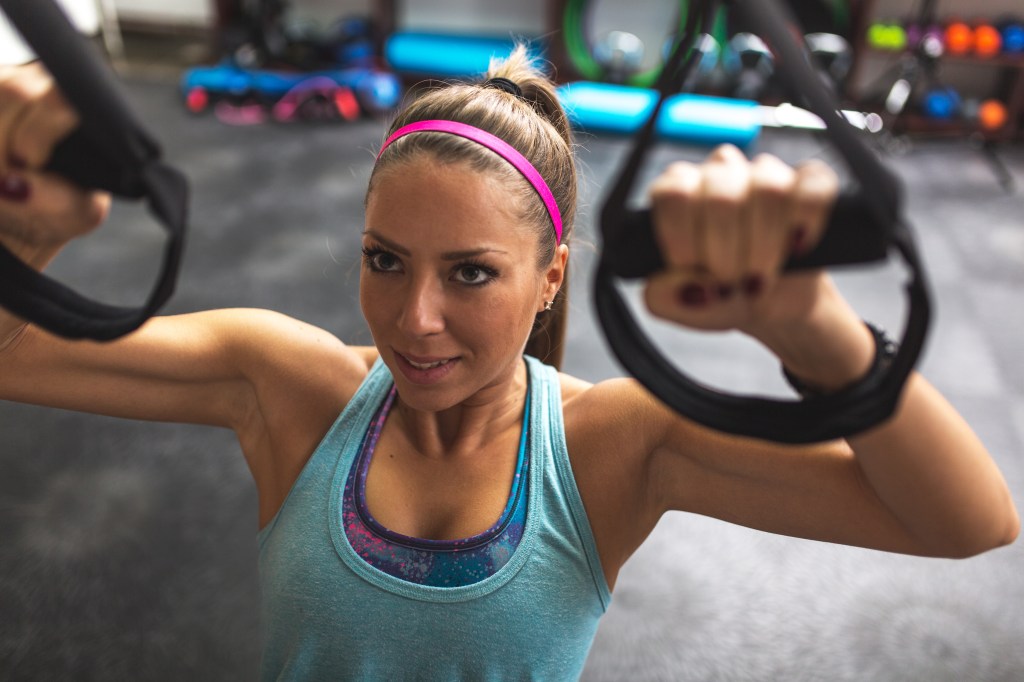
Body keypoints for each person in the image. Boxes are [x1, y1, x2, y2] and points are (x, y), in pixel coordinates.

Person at [0, 47, 1018, 680]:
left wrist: (816, 335)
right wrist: (28, 238)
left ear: (548, 279)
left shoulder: (613, 447)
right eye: (384, 261)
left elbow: (966, 523)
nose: (416, 318)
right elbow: (19, 357)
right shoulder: (287, 383)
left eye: (472, 273)